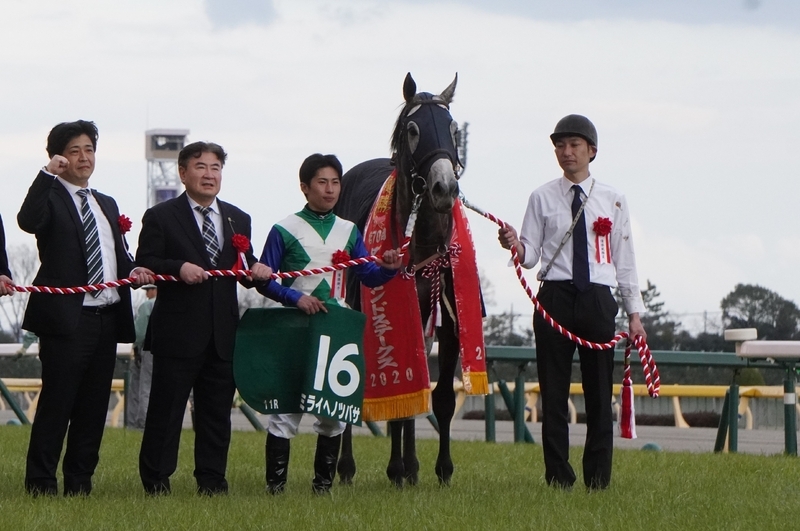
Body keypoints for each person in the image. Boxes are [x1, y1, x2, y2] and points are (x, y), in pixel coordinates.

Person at [498, 115, 647, 491]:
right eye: (560, 146)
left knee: (599, 394)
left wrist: (634, 314)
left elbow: (623, 259)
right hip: (555, 297)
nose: (566, 152)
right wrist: (515, 244)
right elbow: (531, 255)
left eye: (574, 145)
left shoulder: (613, 199)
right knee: (554, 391)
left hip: (597, 298)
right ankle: (558, 477)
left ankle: (598, 479)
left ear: (591, 151)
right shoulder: (541, 197)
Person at [18, 120, 154, 496]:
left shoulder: (105, 203)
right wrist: (47, 175)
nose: (83, 157)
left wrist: (135, 270)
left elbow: (116, 258)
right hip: (67, 319)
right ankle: (41, 483)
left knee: (94, 408)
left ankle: (80, 483)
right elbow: (27, 220)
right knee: (57, 403)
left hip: (107, 318)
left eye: (89, 149)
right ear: (59, 156)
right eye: (74, 150)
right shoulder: (50, 196)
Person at [257, 153, 401, 495]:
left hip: (335, 329)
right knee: (286, 411)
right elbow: (264, 280)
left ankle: (323, 488)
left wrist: (390, 269)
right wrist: (296, 299)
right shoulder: (283, 229)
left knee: (333, 412)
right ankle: (275, 489)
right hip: (294, 329)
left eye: (335, 182)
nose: (330, 189)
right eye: (322, 182)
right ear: (305, 188)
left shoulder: (349, 231)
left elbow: (368, 276)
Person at [136, 141, 273, 496]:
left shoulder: (237, 218)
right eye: (200, 167)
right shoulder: (162, 216)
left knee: (216, 415)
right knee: (166, 413)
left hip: (223, 333)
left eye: (215, 168)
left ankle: (212, 482)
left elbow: (242, 266)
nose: (209, 175)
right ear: (183, 173)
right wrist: (177, 267)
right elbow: (146, 260)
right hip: (177, 332)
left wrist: (255, 269)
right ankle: (156, 481)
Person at [126, 284, 157, 429]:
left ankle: (141, 424)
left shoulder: (147, 306)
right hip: (170, 351)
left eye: (149, 290)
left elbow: (139, 333)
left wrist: (135, 347)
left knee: (145, 387)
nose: (147, 294)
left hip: (148, 349)